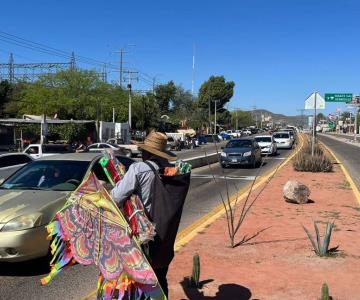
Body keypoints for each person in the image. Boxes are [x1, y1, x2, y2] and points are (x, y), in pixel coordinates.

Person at [111, 131, 177, 297]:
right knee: (160, 279)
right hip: (165, 233)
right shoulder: (172, 170)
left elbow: (115, 197)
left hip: (143, 235)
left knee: (140, 282)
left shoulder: (139, 169)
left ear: (148, 152)